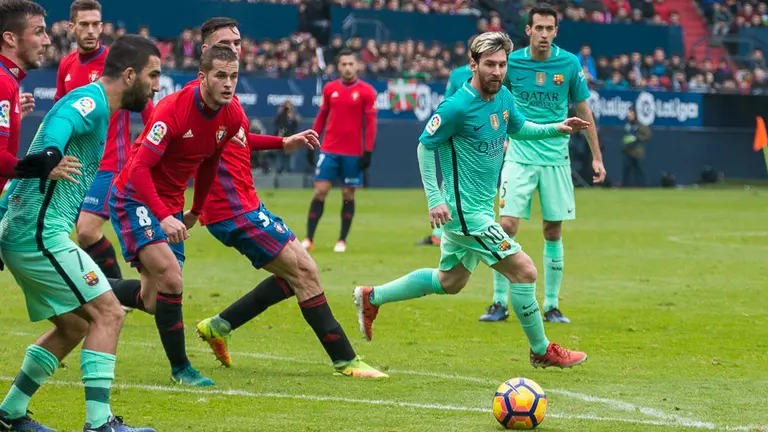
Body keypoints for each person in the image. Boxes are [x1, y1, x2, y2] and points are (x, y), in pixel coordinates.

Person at [354, 32, 590, 369]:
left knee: (450, 282)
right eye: (490, 64)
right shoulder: (458, 106)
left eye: (502, 65)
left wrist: (557, 127)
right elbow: (425, 145)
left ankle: (372, 296)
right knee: (524, 271)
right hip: (465, 214)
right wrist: (434, 198)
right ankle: (541, 350)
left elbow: (520, 128)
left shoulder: (504, 97)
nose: (497, 71)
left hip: (476, 210)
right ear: (473, 65)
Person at [186, 18, 386, 378]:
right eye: (225, 42)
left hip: (245, 203)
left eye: (237, 41)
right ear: (205, 52)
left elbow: (240, 138)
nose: (234, 48)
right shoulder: (198, 99)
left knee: (293, 274)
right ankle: (346, 359)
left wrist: (283, 142)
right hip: (231, 209)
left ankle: (220, 325)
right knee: (305, 270)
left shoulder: (225, 97)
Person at [0, 29, 160, 432]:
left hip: (27, 232)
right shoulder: (91, 100)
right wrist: (50, 154)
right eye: (153, 76)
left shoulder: (97, 103)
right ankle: (99, 424)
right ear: (129, 75)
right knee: (109, 312)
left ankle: (10, 412)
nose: (155, 86)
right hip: (39, 234)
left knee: (75, 324)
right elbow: (60, 124)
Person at [108, 45, 244, 387]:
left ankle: (82, 285)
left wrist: (195, 210)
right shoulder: (173, 109)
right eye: (220, 76)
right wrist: (163, 216)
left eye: (234, 77)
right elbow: (139, 169)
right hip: (134, 197)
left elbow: (210, 162)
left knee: (153, 301)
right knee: (171, 277)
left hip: (169, 207)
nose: (228, 84)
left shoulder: (232, 116)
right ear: (202, 77)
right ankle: (181, 368)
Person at [484, 4, 606, 324]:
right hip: (520, 154)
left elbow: (584, 110)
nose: (544, 34)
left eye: (549, 29)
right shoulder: (512, 64)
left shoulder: (568, 63)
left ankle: (551, 305)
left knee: (552, 229)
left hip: (555, 157)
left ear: (556, 32)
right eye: (538, 28)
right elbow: (494, 101)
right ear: (528, 31)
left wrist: (596, 156)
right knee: (506, 225)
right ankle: (499, 301)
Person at [54, 0, 154, 280]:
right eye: (83, 24)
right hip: (76, 165)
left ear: (102, 26)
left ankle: (118, 291)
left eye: (95, 24)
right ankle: (99, 293)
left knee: (87, 230)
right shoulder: (66, 65)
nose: (90, 30)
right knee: (74, 235)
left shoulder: (118, 63)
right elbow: (61, 110)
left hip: (109, 163)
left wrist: (156, 150)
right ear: (71, 27)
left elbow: (147, 107)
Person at [304, 49, 377, 253]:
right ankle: (309, 238)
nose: (347, 67)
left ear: (357, 66)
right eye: (343, 64)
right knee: (320, 192)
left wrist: (368, 151)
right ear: (338, 66)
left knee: (348, 195)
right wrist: (313, 139)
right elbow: (322, 116)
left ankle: (342, 240)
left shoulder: (366, 91)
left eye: (350, 64)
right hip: (329, 149)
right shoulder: (330, 89)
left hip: (353, 153)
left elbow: (370, 124)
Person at [416, 36, 477, 247]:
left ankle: (459, 229)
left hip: (480, 138)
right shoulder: (459, 74)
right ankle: (440, 233)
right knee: (449, 182)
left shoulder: (497, 76)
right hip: (457, 136)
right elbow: (447, 102)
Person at [621, 106, 650, 187]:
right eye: (628, 113)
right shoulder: (627, 126)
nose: (629, 115)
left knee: (639, 171)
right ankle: (625, 186)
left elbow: (648, 135)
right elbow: (625, 138)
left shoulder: (639, 125)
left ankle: (643, 186)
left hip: (637, 152)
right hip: (627, 152)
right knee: (626, 171)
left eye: (631, 113)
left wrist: (638, 138)